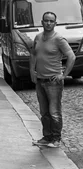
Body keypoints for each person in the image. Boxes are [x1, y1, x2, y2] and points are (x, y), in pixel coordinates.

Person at [29, 11, 76, 149]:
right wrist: (32, 70)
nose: (48, 23)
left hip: (53, 81)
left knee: (54, 112)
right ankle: (46, 136)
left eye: (51, 21)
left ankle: (56, 138)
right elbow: (33, 54)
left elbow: (71, 57)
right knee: (44, 112)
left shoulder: (59, 39)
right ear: (42, 22)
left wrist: (63, 74)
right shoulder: (38, 37)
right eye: (46, 20)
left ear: (55, 23)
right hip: (40, 80)